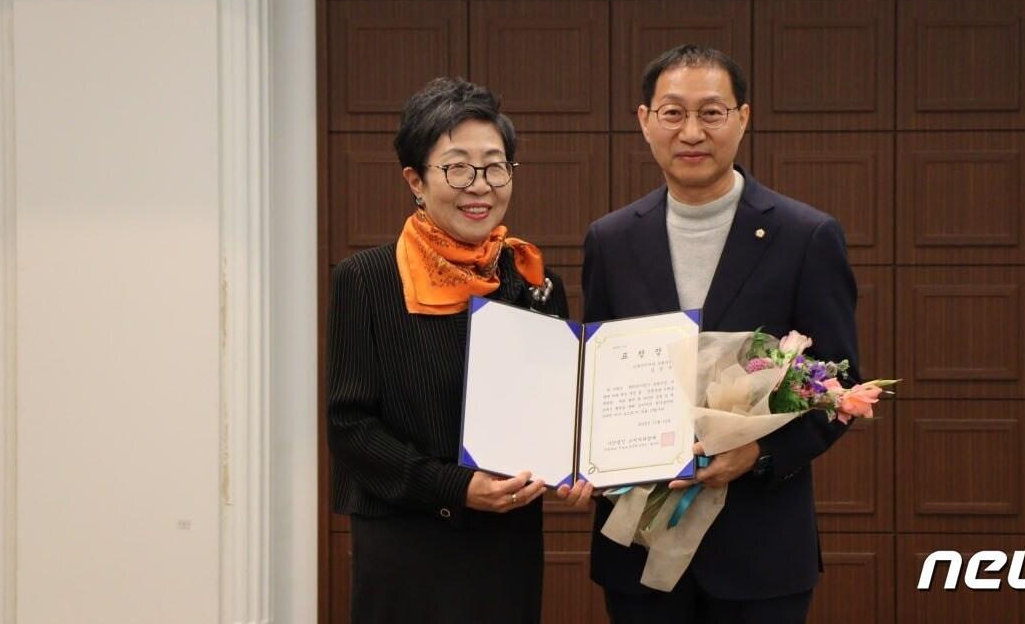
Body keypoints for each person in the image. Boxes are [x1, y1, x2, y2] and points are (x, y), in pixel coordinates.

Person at [583, 45, 861, 623]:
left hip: (760, 548)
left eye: (711, 112)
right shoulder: (610, 241)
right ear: (644, 121)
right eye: (672, 113)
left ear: (743, 118)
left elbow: (843, 385)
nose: (692, 132)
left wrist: (758, 454)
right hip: (641, 544)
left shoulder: (805, 236)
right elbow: (596, 377)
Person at [327, 77, 593, 623]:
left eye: (496, 166)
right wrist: (457, 488)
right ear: (415, 180)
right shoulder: (367, 280)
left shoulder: (534, 284)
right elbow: (350, 428)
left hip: (506, 543)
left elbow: (554, 412)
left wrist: (581, 464)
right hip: (407, 541)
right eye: (456, 167)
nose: (480, 185)